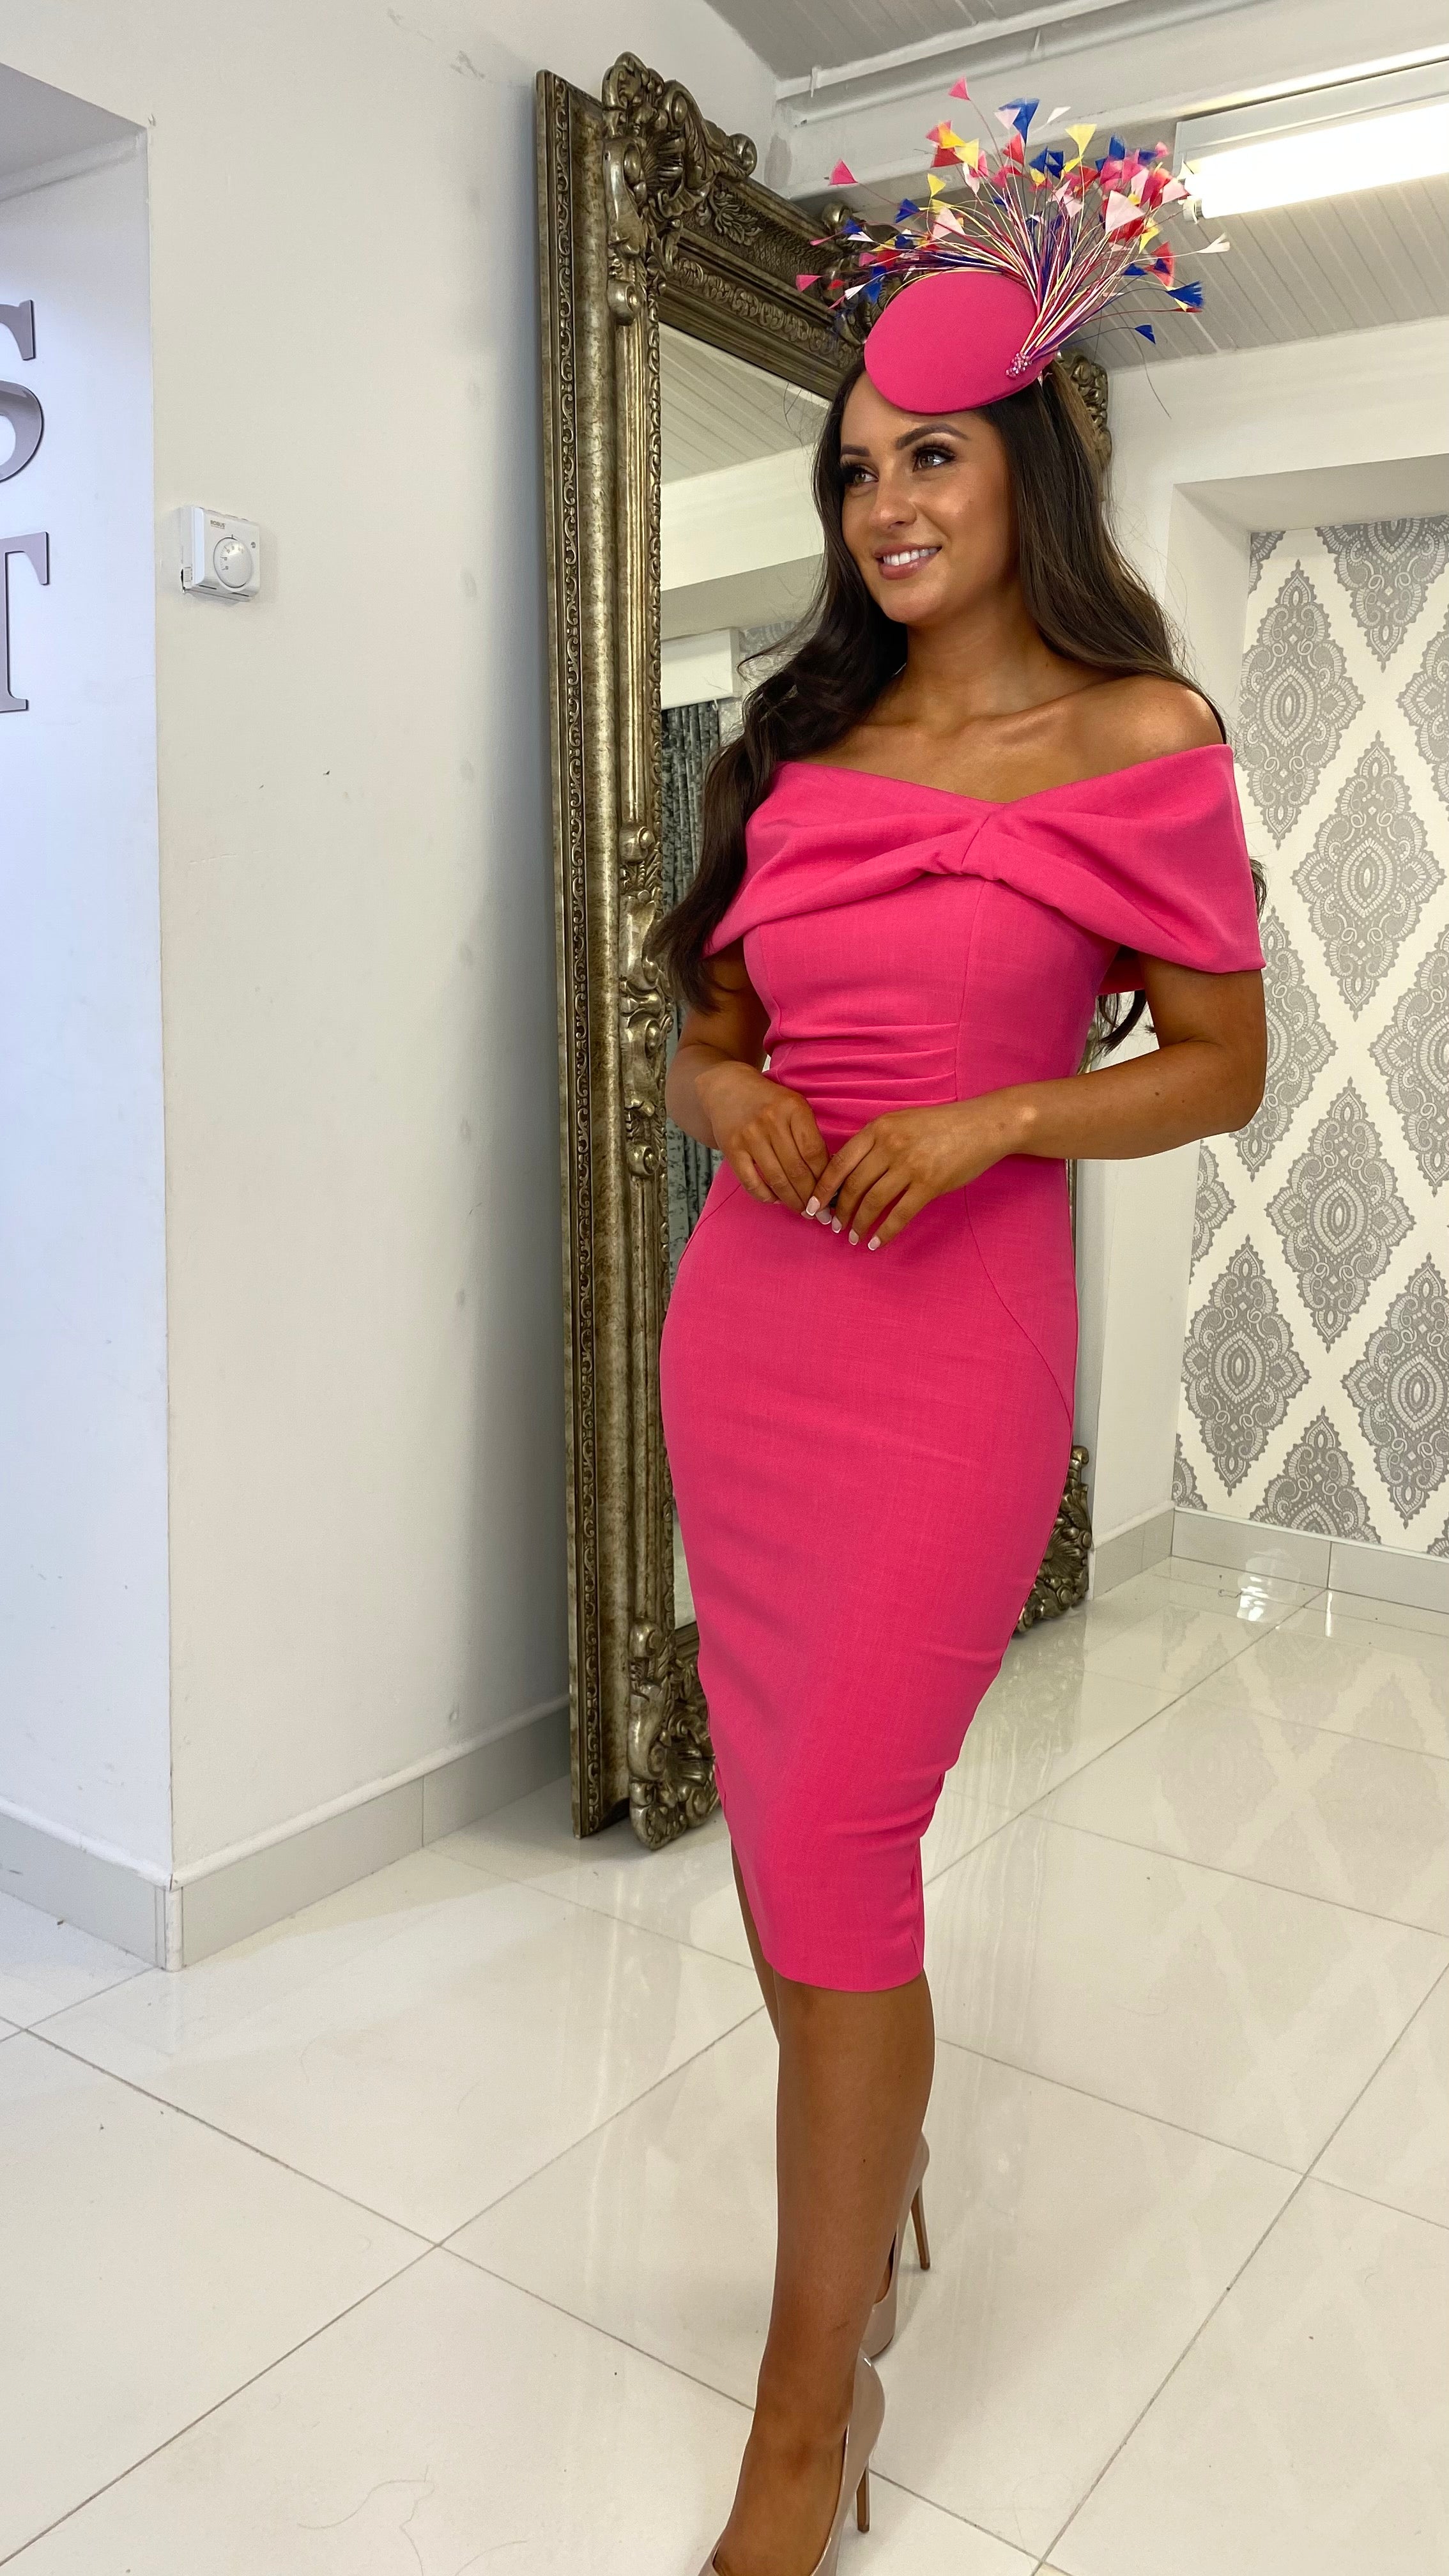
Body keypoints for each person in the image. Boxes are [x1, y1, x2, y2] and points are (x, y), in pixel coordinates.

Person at [650, 184, 1266, 2576]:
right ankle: (869, 2212)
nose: (882, 505)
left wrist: (1003, 1113)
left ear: (1028, 475)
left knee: (836, 1840)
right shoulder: (794, 750)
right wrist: (731, 1097)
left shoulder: (1134, 737)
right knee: (782, 1827)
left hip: (949, 1359)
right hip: (751, 1336)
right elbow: (707, 1039)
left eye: (929, 459)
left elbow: (1215, 1063)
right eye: (852, 470)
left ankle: (806, 2420)